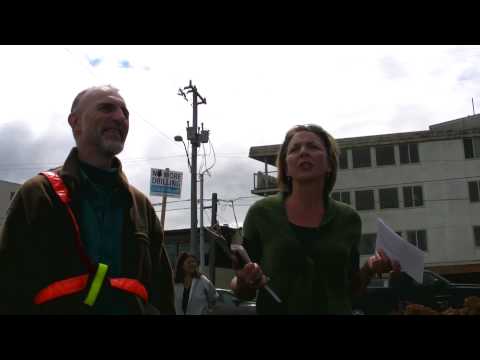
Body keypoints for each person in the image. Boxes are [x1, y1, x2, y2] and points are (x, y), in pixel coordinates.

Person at [0, 85, 175, 315]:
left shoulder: (141, 205)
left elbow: (162, 293)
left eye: (125, 113)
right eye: (106, 108)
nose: (120, 118)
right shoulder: (38, 193)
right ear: (75, 123)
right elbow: (8, 284)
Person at [230, 124, 400, 314]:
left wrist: (369, 268)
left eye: (313, 147)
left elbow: (349, 290)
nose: (303, 152)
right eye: (295, 149)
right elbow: (240, 288)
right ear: (286, 167)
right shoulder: (261, 213)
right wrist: (245, 281)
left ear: (329, 164)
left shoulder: (348, 219)